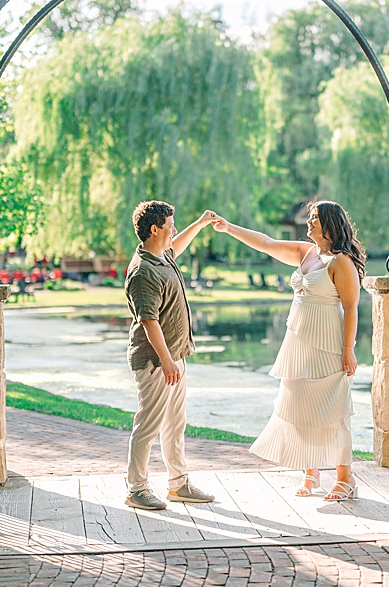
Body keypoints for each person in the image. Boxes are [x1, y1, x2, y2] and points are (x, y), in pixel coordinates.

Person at [209, 201, 364, 502]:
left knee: (334, 413)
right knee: (300, 406)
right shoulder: (305, 253)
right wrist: (228, 228)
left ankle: (346, 479)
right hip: (297, 343)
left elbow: (350, 308)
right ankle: (311, 473)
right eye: (309, 217)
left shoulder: (341, 261)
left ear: (330, 224)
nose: (308, 222)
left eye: (315, 219)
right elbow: (266, 244)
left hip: (328, 345)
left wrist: (349, 350)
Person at [123, 201, 221, 511]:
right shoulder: (143, 271)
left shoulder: (161, 257)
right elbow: (149, 321)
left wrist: (201, 223)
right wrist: (166, 362)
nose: (174, 230)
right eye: (170, 225)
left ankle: (178, 484)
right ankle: (136, 488)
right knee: (149, 425)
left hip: (174, 356)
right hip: (155, 361)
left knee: (175, 424)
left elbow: (178, 243)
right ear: (155, 229)